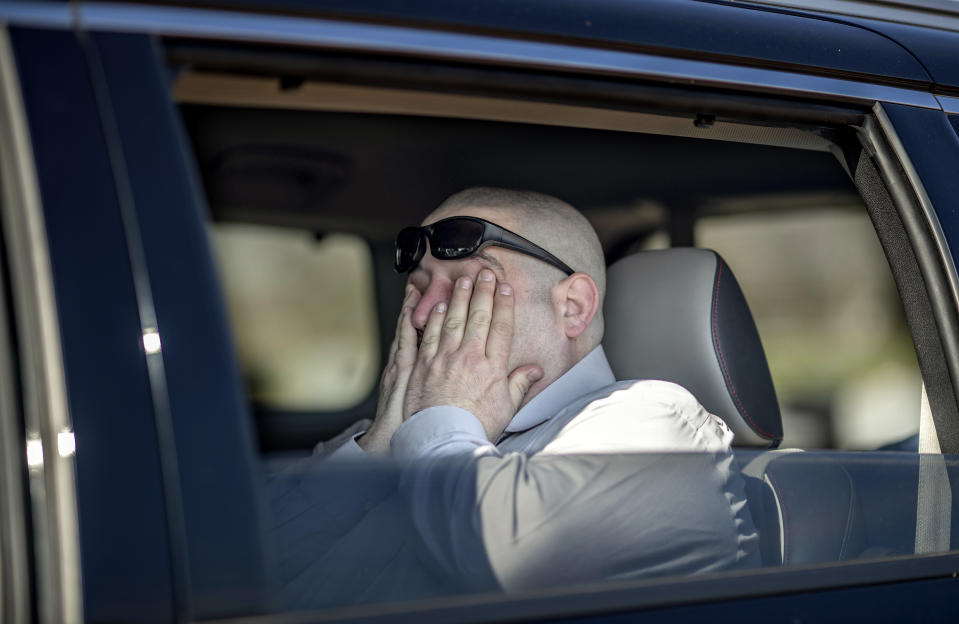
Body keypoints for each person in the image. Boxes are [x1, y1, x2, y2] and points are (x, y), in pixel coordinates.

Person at [273, 187, 759, 608]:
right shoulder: (407, 436)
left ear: (572, 308)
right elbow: (255, 566)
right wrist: (382, 444)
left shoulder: (654, 424)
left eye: (468, 285)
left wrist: (445, 414)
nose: (422, 315)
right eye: (417, 288)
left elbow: (497, 560)